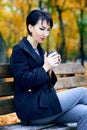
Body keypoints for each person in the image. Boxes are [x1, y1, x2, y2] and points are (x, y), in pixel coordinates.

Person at [10, 9, 87, 130]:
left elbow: (48, 83)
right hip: (32, 109)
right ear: (30, 27)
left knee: (85, 112)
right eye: (42, 29)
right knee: (83, 92)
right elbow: (22, 81)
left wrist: (50, 69)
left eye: (48, 30)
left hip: (45, 105)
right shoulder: (20, 50)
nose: (45, 34)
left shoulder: (41, 51)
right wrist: (45, 67)